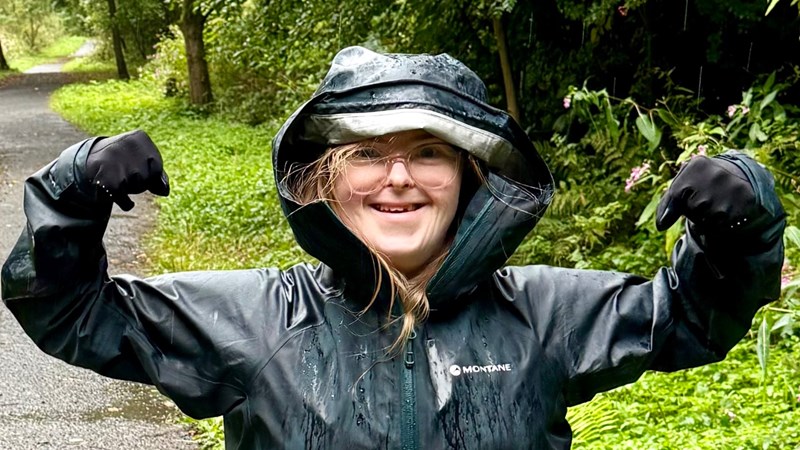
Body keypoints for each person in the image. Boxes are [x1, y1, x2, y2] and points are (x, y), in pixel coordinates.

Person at [1, 46, 786, 449]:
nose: (399, 177)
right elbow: (68, 311)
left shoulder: (547, 315)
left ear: (470, 177)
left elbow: (692, 316)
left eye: (430, 152)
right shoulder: (254, 319)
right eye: (368, 154)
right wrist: (75, 191)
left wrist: (739, 220)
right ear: (326, 178)